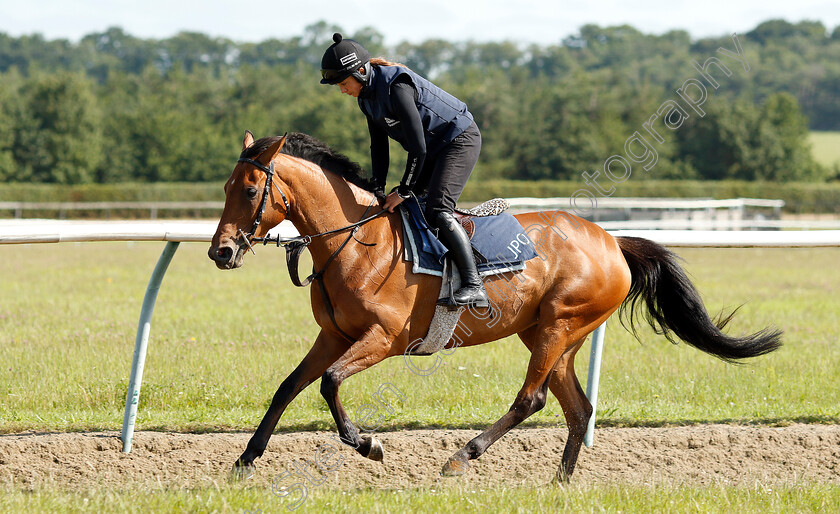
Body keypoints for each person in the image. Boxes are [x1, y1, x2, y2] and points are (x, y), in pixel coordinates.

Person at [319, 33, 488, 308]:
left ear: (361, 71)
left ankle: (474, 285)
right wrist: (376, 186)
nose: (342, 90)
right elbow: (379, 147)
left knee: (438, 210)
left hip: (459, 140)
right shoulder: (365, 98)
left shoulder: (396, 87)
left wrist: (404, 190)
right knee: (409, 209)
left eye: (343, 82)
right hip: (434, 148)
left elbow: (418, 149)